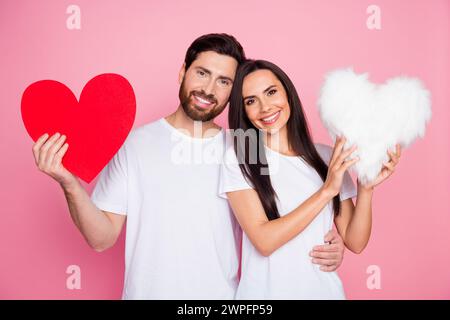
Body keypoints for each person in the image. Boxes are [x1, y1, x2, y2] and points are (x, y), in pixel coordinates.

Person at [31, 34, 348, 299]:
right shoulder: (135, 145)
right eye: (202, 73)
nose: (209, 90)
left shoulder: (245, 150)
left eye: (223, 81)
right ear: (183, 71)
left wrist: (331, 238)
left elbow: (281, 218)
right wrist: (69, 183)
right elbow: (101, 239)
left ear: (232, 93)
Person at [220, 59, 401, 299]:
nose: (265, 107)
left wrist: (366, 187)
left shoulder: (327, 157)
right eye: (251, 101)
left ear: (288, 94)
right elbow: (264, 241)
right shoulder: (241, 158)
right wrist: (327, 191)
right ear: (243, 111)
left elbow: (355, 241)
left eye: (271, 92)